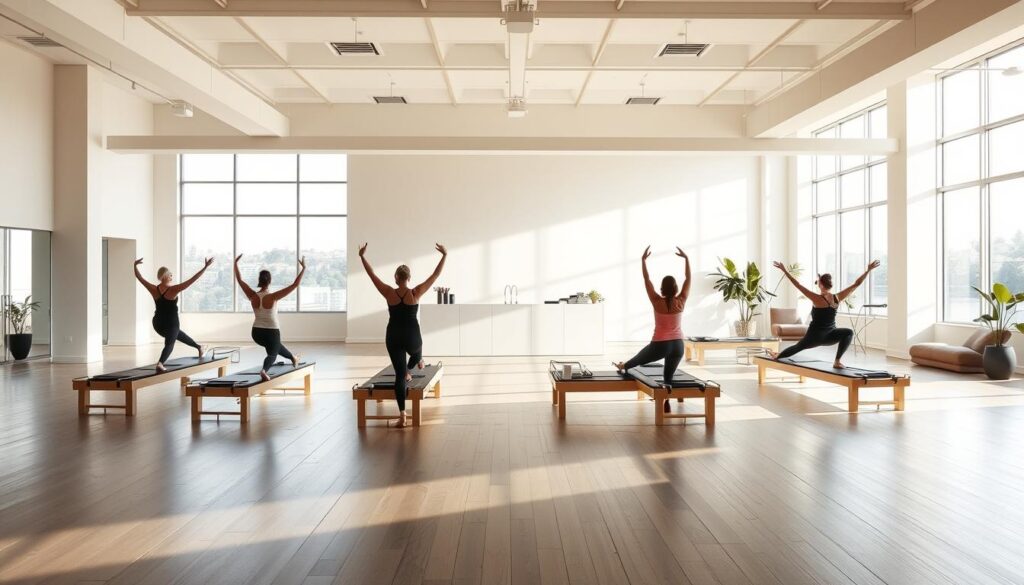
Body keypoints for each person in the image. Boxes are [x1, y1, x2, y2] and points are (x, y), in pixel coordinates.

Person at [359, 242, 447, 428]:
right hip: (412, 336)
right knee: (417, 352)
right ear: (409, 278)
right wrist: (444, 256)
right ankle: (417, 362)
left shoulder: (389, 292)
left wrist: (362, 256)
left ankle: (402, 415)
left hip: (393, 336)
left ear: (396, 278)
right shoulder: (415, 292)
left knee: (399, 375)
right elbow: (435, 275)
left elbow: (371, 275)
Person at [614, 246, 691, 413]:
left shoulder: (656, 300)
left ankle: (623, 365)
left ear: (662, 288)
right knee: (668, 375)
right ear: (676, 288)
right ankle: (666, 401)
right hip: (678, 345)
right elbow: (688, 278)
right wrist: (686, 259)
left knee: (637, 359)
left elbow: (646, 279)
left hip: (660, 345)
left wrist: (643, 261)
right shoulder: (681, 300)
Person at [770, 260, 881, 369]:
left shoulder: (816, 299)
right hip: (830, 336)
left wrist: (784, 270)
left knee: (798, 346)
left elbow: (798, 285)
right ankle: (837, 361)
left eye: (818, 282)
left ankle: (778, 356)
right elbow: (856, 284)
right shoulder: (837, 297)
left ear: (821, 285)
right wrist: (868, 270)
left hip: (814, 337)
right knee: (849, 332)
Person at [234, 254, 305, 381]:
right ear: (270, 281)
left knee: (276, 346)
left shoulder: (252, 295)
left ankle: (293, 358)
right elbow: (295, 285)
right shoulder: (273, 296)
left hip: (256, 333)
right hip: (272, 331)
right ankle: (264, 370)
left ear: (259, 280)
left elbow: (239, 280)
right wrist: (303, 268)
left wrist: (235, 263)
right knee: (273, 353)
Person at [134, 258, 210, 372]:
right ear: (164, 276)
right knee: (170, 342)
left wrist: (134, 266)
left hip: (158, 323)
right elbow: (191, 280)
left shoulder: (154, 289)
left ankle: (199, 347)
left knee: (177, 334)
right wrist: (205, 268)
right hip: (171, 323)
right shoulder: (173, 290)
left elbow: (140, 278)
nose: (171, 276)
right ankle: (160, 363)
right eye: (170, 274)